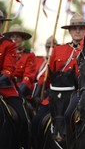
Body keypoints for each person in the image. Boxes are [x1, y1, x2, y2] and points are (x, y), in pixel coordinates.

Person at [31, 13, 85, 148]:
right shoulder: (59, 49)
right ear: (69, 31)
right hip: (57, 96)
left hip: (79, 94)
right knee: (35, 122)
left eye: (81, 28)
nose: (77, 31)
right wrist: (38, 92)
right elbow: (48, 74)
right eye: (74, 28)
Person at [0, 11, 30, 148]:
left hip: (4, 88)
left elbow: (8, 70)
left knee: (22, 117)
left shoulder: (8, 44)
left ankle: (22, 145)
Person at [3, 24, 37, 98]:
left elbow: (28, 77)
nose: (15, 39)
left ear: (22, 39)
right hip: (3, 84)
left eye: (18, 36)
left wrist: (19, 91)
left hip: (20, 87)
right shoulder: (3, 52)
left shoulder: (29, 55)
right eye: (12, 36)